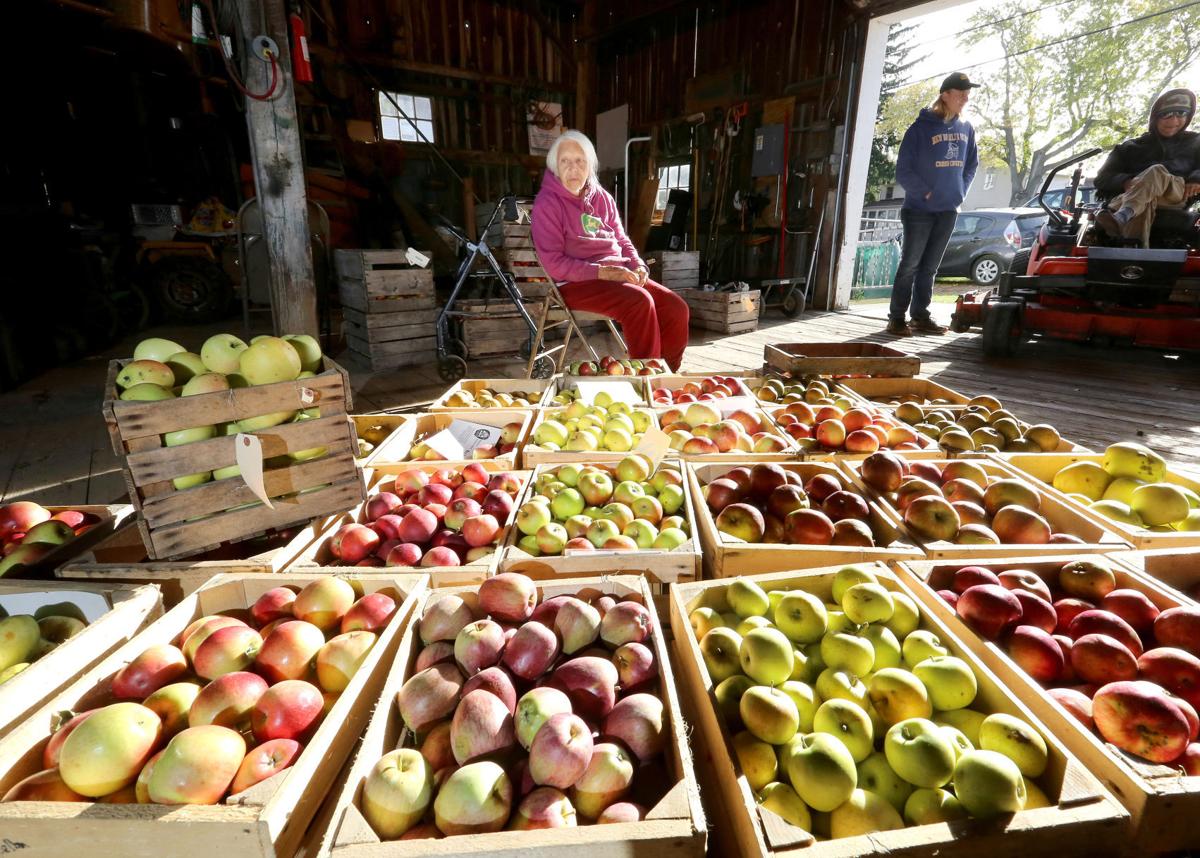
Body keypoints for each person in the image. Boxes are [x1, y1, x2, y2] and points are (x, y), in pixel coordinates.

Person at [531, 130, 689, 371]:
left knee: (675, 308)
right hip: (573, 284)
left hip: (617, 275)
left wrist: (637, 264)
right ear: (555, 166)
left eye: (579, 161)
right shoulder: (547, 204)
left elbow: (621, 238)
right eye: (565, 161)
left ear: (590, 165)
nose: (573, 168)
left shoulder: (602, 197)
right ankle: (645, 377)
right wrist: (604, 272)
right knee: (639, 302)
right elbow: (554, 264)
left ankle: (665, 374)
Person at [889, 72, 981, 336]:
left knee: (929, 268)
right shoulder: (919, 129)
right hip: (919, 210)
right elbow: (903, 171)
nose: (966, 97)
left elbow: (972, 164)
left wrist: (960, 190)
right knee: (910, 265)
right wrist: (925, 192)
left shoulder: (966, 128)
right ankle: (896, 318)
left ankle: (920, 316)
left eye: (967, 93)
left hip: (949, 209)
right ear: (945, 95)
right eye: (960, 92)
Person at [1094, 89, 1200, 247]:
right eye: (1167, 115)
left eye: (1181, 114)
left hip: (1175, 193)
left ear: (1189, 115)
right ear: (1155, 116)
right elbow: (1101, 179)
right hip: (1132, 194)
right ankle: (1137, 255)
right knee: (1145, 201)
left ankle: (1121, 215)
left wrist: (1196, 179)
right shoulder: (1129, 147)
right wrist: (1125, 181)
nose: (1174, 121)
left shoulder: (1196, 142)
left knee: (1156, 171)